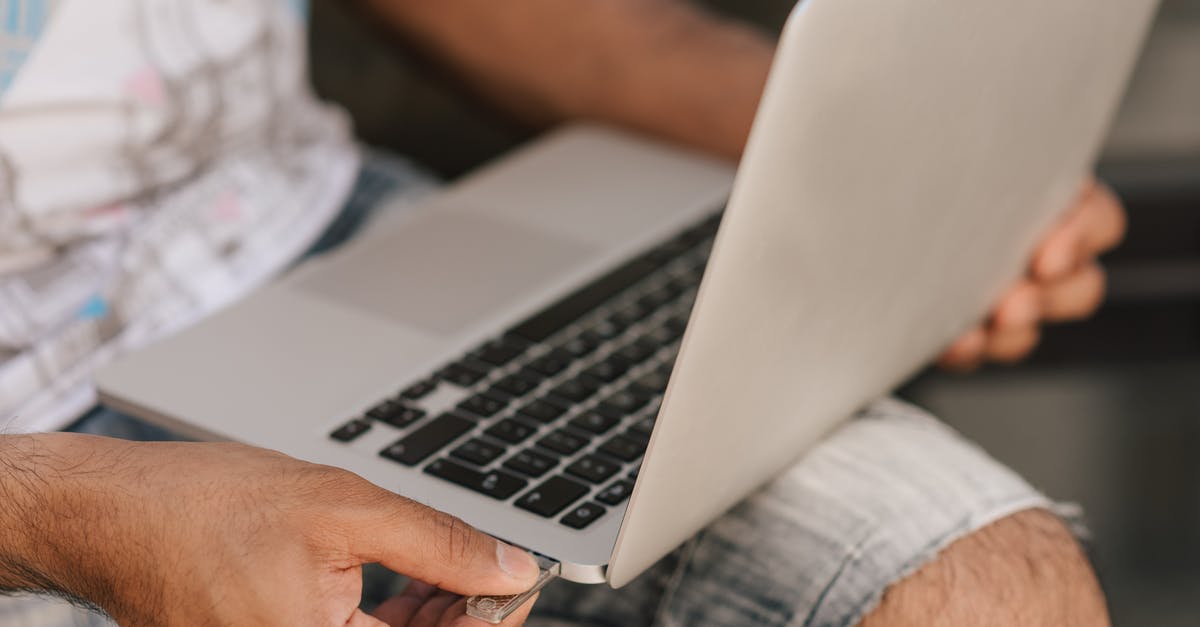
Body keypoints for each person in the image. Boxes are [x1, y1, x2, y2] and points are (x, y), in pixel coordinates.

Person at [0, 1, 1125, 625]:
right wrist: (63, 514)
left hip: (309, 224)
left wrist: (843, 156)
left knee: (986, 590)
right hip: (30, 438)